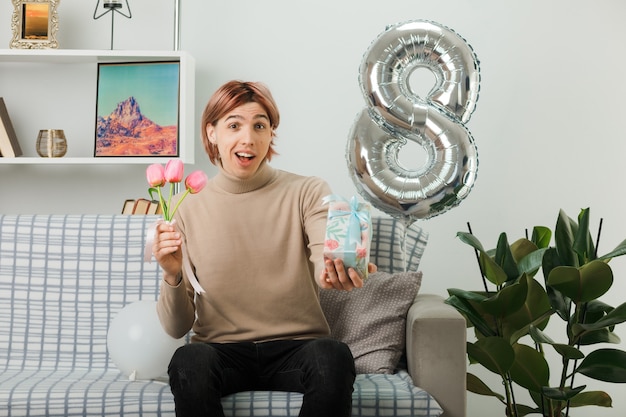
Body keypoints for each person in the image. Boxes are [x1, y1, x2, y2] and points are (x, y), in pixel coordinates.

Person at [152, 80, 376, 417]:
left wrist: (337, 269)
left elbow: (322, 258)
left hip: (297, 350)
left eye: (260, 125)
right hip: (220, 353)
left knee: (332, 355)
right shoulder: (186, 208)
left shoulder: (307, 191)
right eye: (234, 125)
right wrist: (171, 275)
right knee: (188, 359)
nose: (248, 138)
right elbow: (176, 327)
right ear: (211, 133)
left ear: (271, 133)